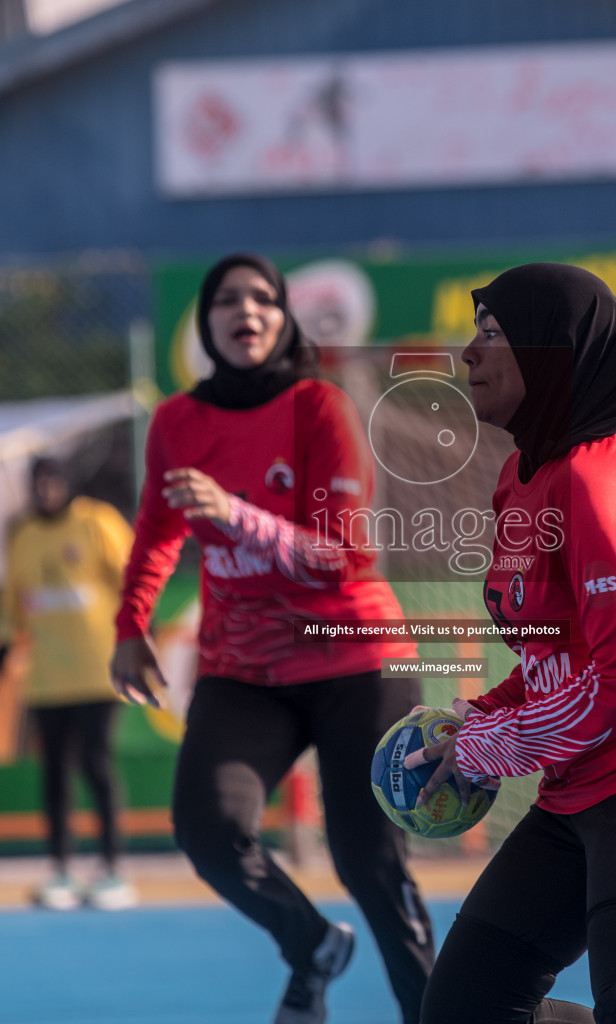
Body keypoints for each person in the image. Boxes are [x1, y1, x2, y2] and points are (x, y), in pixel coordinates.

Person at [411, 264, 616, 1024]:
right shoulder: (521, 477)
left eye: (492, 333)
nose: (468, 352)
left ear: (553, 353)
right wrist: (475, 715)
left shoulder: (596, 479)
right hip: (578, 786)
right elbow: (551, 657)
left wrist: (491, 746)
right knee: (465, 1010)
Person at [110, 253, 435, 1024]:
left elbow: (343, 555)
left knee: (368, 861)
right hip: (246, 667)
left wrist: (233, 513)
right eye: (226, 299)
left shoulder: (319, 407)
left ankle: (438, 1011)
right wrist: (131, 626)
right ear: (205, 322)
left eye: (263, 298)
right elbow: (158, 529)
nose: (245, 311)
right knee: (209, 829)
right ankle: (312, 944)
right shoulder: (177, 421)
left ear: (284, 318)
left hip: (355, 653)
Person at [0, 457, 138, 911]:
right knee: (54, 771)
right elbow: (10, 602)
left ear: (68, 482)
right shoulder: (23, 536)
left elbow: (136, 579)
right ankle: (61, 868)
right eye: (37, 482)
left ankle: (113, 868)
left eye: (53, 480)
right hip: (48, 678)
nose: (46, 489)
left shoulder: (97, 522)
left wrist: (135, 639)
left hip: (99, 670)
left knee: (95, 763)